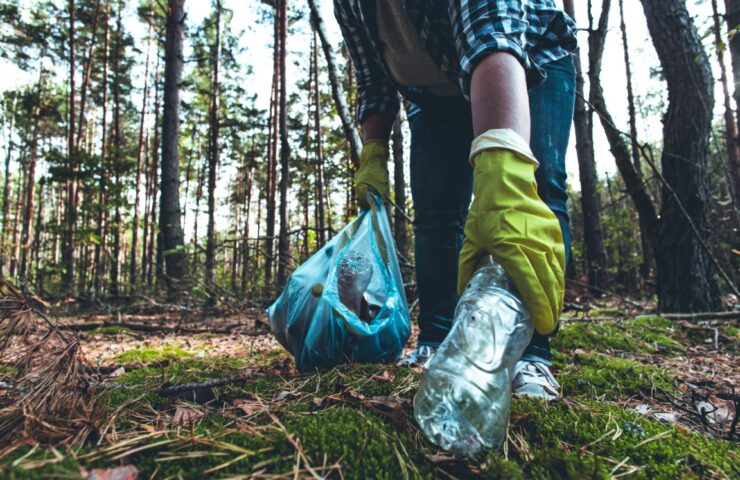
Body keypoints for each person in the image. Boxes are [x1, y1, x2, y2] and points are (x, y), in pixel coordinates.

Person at [335, 0, 577, 400]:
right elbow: (373, 78)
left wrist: (504, 161)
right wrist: (373, 151)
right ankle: (436, 339)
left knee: (533, 189)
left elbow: (491, 32)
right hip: (433, 92)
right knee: (435, 214)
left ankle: (531, 354)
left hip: (525, 56)